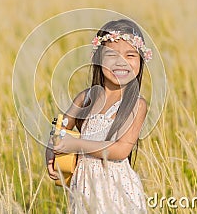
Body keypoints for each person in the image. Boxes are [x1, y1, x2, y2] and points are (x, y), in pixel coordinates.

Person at [45, 19, 152, 213]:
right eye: (112, 55)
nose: (121, 62)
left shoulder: (136, 104)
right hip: (84, 186)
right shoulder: (85, 98)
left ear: (141, 60)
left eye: (130, 55)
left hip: (118, 189)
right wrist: (51, 154)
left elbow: (120, 150)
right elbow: (59, 130)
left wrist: (75, 145)